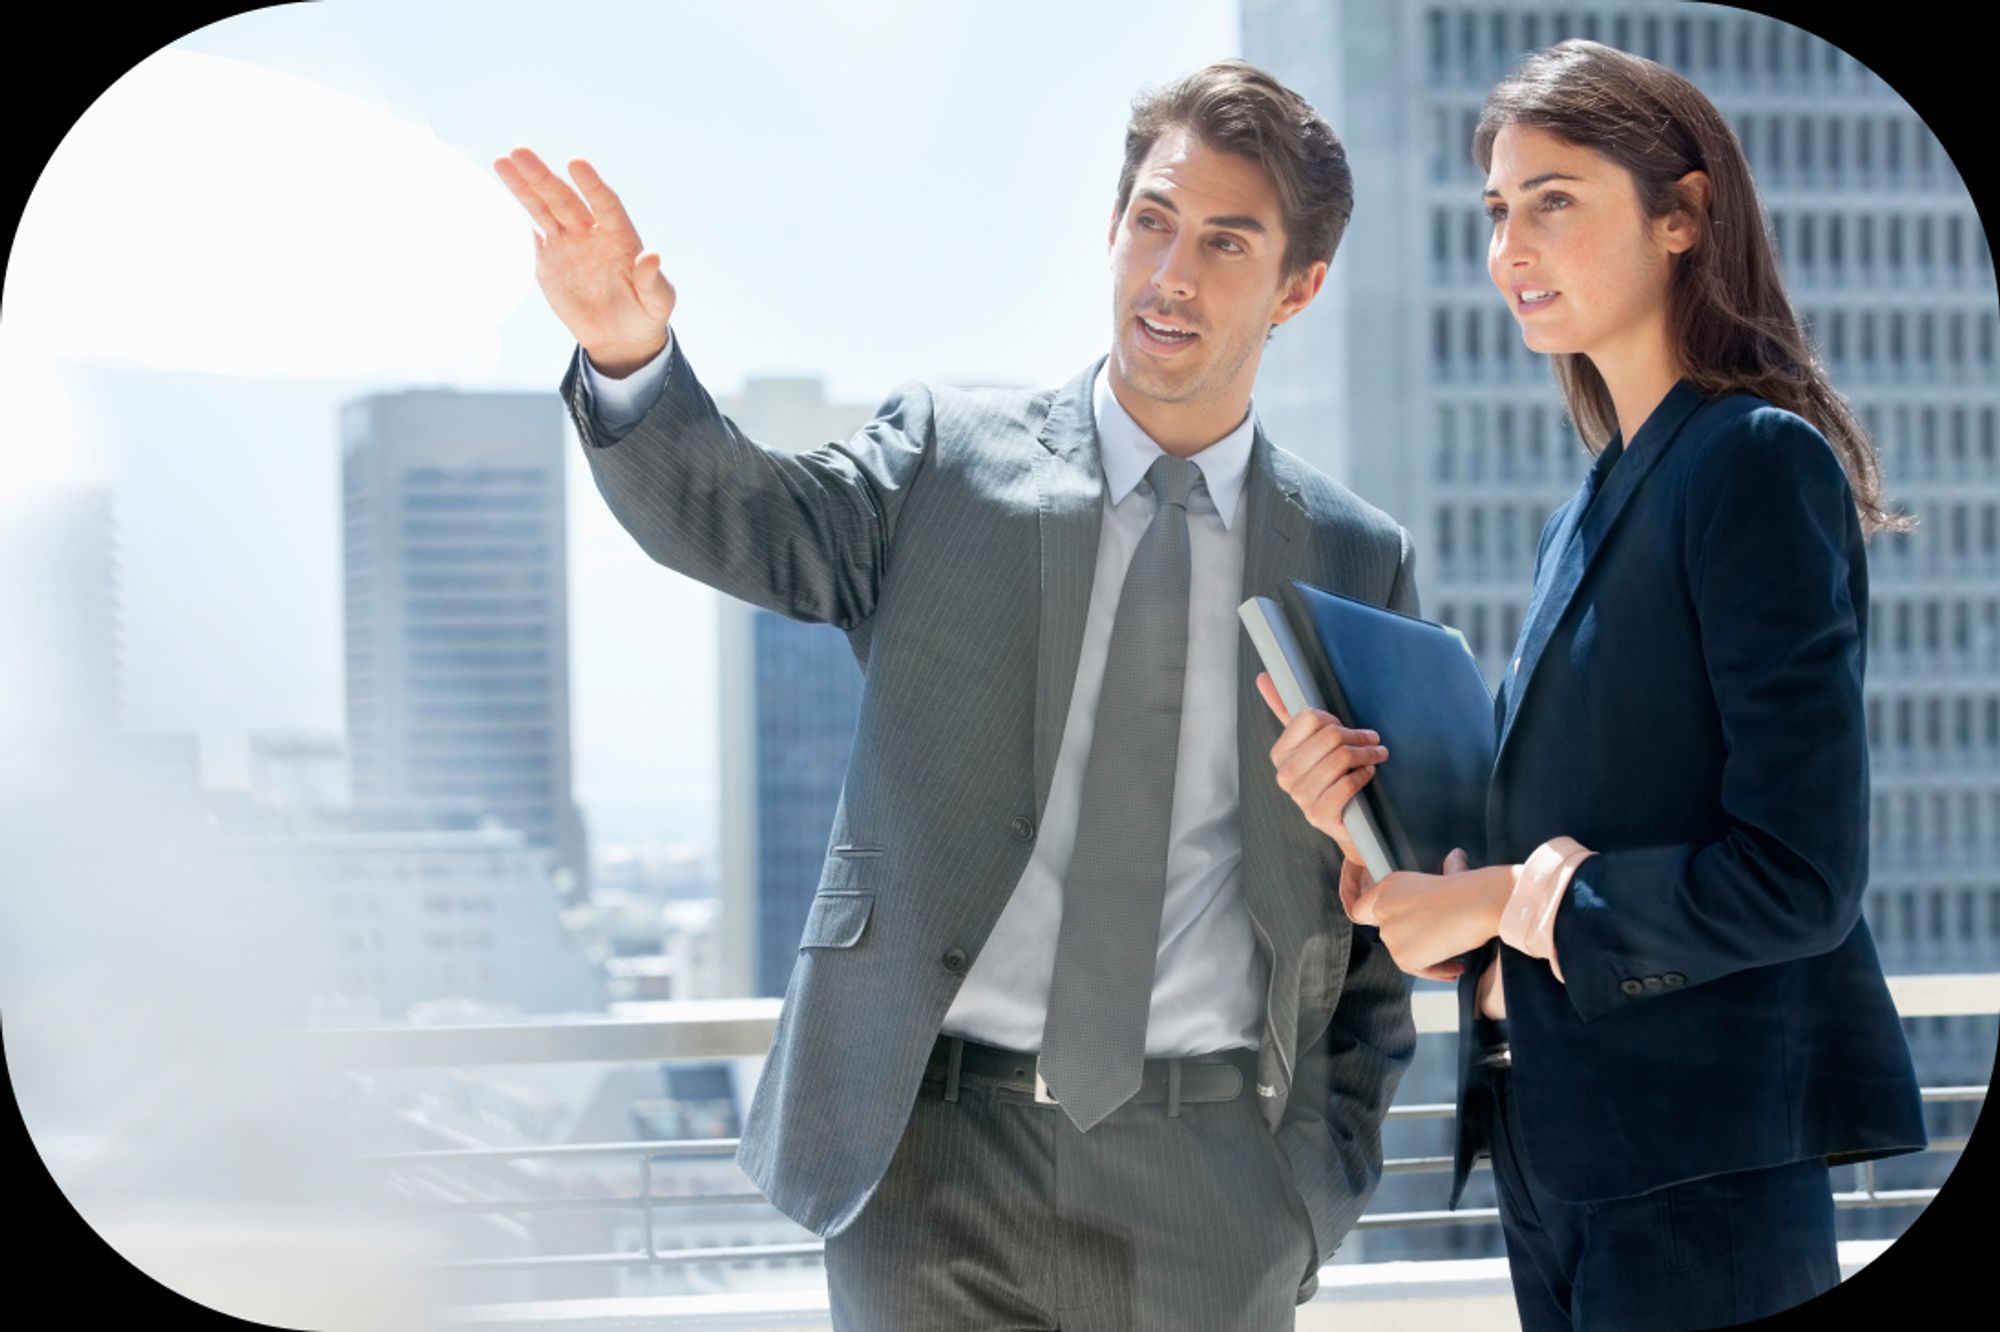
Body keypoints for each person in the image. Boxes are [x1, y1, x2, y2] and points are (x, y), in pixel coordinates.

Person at [496, 60, 1421, 1331]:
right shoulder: (945, 462)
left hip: (1215, 1187)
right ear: (1111, 228)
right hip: (930, 1176)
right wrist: (624, 348)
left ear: (1297, 287)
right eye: (1151, 220)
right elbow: (744, 522)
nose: (1170, 273)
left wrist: (1310, 1195)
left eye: (1224, 241)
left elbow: (1380, 916)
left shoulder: (1351, 560)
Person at [1256, 38, 1928, 1332]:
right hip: (1556, 1145)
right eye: (1497, 211)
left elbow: (1800, 872)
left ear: (1683, 215)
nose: (1510, 248)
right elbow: (1567, 846)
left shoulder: (1752, 463)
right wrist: (1386, 853)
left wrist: (1502, 895)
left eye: (1553, 201)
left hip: (1699, 1177)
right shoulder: (1588, 507)